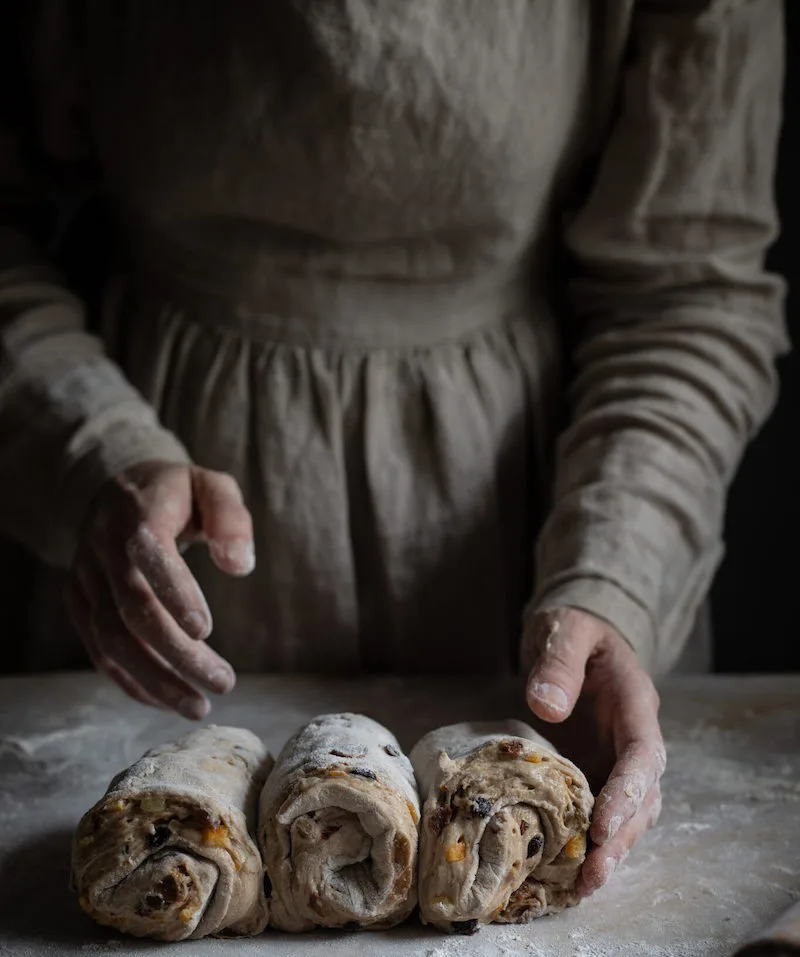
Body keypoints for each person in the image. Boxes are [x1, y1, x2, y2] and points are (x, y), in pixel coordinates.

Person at [0, 2, 786, 896]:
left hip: (536, 525)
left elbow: (687, 288)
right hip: (162, 551)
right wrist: (87, 445)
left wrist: (616, 574)